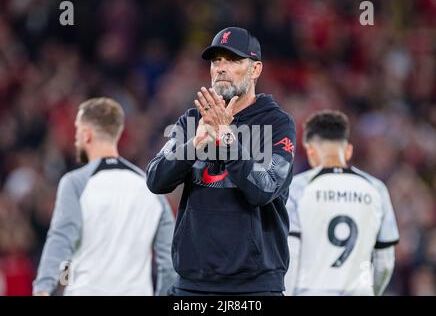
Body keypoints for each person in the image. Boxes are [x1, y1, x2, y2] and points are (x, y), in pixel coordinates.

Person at [146, 27, 296, 295]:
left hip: (253, 288)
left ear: (256, 69)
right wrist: (195, 143)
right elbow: (156, 179)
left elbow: (263, 189)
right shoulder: (193, 121)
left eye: (233, 60)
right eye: (216, 61)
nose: (221, 68)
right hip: (192, 285)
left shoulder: (276, 124)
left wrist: (226, 138)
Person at [33, 98, 176, 296]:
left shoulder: (76, 183)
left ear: (87, 134)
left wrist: (47, 287)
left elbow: (63, 242)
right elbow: (168, 258)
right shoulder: (149, 185)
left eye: (77, 131)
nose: (75, 140)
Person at [284, 110, 399, 296]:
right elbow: (385, 262)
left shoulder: (298, 188)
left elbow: (292, 252)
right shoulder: (376, 189)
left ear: (310, 150)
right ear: (348, 150)